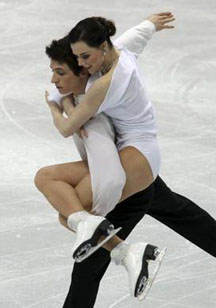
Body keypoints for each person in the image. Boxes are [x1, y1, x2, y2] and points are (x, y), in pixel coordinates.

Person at [33, 14, 216, 307]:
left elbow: (69, 126)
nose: (82, 63)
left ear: (102, 48)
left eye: (83, 58)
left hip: (136, 158)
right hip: (137, 158)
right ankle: (126, 252)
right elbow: (131, 39)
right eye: (77, 58)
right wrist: (150, 24)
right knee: (177, 211)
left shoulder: (102, 87)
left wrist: (59, 103)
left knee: (78, 227)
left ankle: (132, 254)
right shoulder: (113, 55)